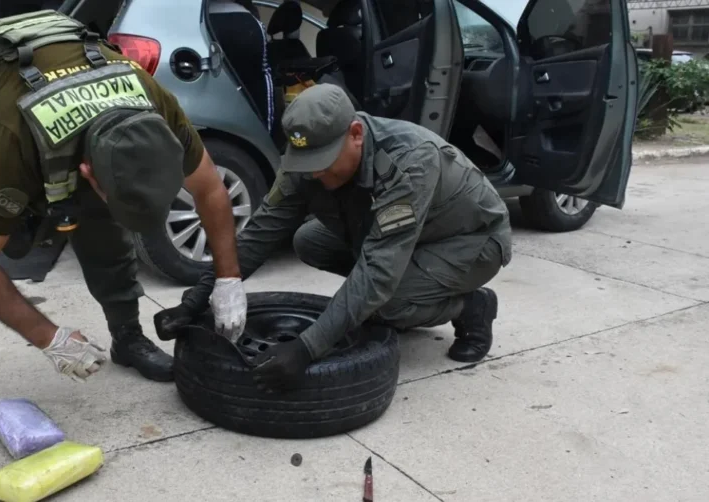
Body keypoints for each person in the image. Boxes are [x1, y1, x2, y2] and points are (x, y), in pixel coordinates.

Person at [0, 10, 246, 474]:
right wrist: (49, 338)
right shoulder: (15, 138)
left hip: (59, 85)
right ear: (89, 172)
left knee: (100, 218)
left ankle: (126, 337)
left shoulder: (156, 103)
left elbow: (212, 190)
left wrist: (229, 279)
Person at [154, 83, 512, 391]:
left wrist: (306, 348)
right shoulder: (307, 161)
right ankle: (411, 292)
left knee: (386, 301)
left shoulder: (409, 161)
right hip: (408, 240)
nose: (317, 174)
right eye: (309, 163)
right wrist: (197, 299)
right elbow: (261, 232)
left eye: (325, 162)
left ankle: (473, 307)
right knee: (308, 240)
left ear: (355, 134)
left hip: (470, 241)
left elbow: (377, 273)